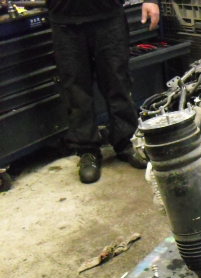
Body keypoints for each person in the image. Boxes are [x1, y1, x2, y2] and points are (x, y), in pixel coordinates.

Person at [47, 0, 161, 183]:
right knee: (75, 89)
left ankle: (127, 142)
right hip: (65, 21)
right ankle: (87, 150)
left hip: (109, 17)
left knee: (118, 82)